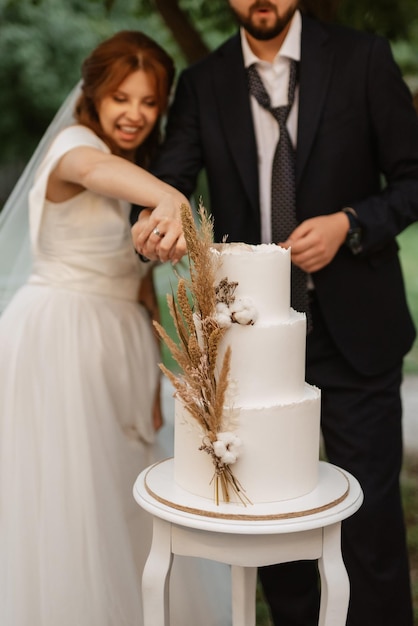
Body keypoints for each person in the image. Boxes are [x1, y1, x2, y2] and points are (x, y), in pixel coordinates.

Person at [132, 2, 418, 625]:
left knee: (368, 522)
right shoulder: (202, 83)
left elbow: (412, 176)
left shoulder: (362, 60)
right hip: (249, 350)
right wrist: (155, 218)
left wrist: (352, 223)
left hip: (356, 333)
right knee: (272, 522)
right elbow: (169, 181)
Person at [0, 30, 232, 626]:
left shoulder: (135, 166)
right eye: (121, 97)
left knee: (122, 497)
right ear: (93, 95)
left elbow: (137, 280)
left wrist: (160, 378)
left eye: (150, 102)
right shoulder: (75, 147)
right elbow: (93, 169)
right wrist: (176, 200)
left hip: (122, 345)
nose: (134, 114)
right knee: (73, 499)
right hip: (61, 339)